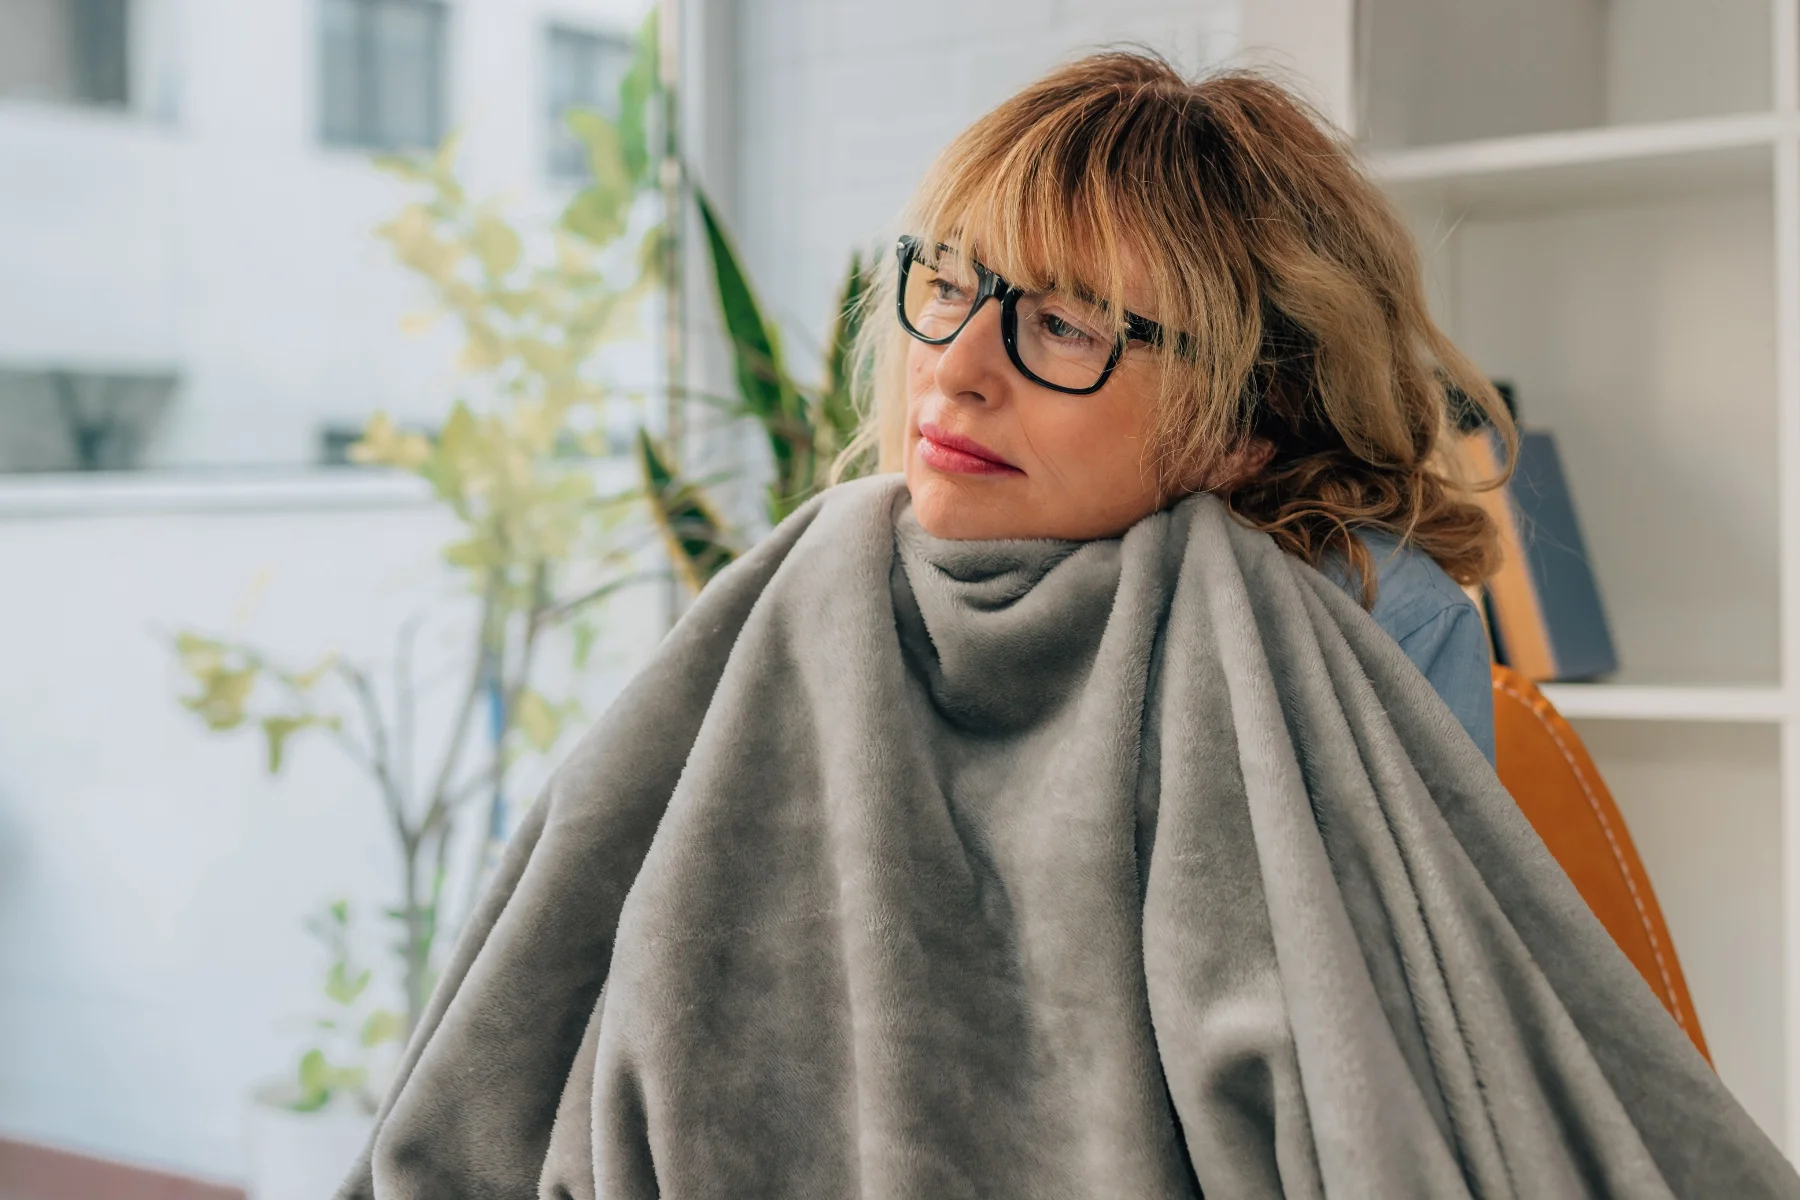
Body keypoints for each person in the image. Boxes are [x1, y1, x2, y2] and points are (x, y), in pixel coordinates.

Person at [341, 51, 1798, 1199]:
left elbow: (1398, 1061)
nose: (957, 370)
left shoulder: (1353, 620)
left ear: (1243, 420)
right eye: (950, 288)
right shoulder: (798, 601)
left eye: (1067, 325)